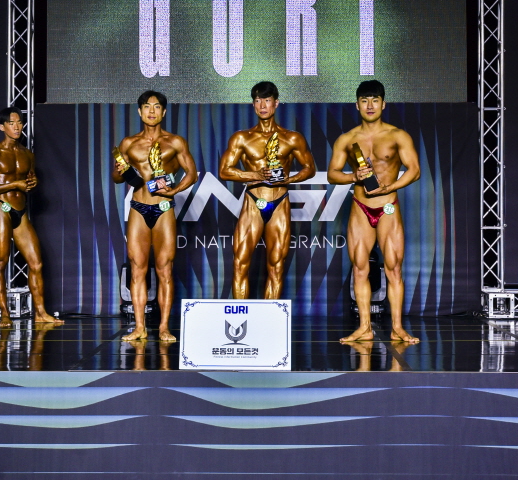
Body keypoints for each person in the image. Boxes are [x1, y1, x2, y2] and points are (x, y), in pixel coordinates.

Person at [327, 80, 422, 344]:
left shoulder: (397, 136)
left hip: (388, 206)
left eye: (375, 100)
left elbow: (414, 170)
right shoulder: (347, 139)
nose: (370, 105)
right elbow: (332, 174)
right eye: (365, 100)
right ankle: (365, 328)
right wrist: (353, 176)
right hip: (361, 206)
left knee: (393, 268)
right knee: (360, 268)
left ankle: (397, 328)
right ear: (357, 105)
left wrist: (390, 186)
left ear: (383, 104)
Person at [112, 90, 198, 343]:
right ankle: (139, 327)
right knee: (137, 269)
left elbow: (191, 173)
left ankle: (163, 328)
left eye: (157, 106)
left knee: (164, 269)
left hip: (163, 209)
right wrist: (120, 170)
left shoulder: (175, 142)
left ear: (164, 111)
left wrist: (174, 190)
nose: (152, 111)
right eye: (147, 107)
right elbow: (117, 179)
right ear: (140, 112)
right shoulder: (128, 143)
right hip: (139, 207)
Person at [219, 81, 316, 299]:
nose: (262, 105)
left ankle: (269, 317)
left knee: (276, 265)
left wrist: (289, 178)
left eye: (267, 100)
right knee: (240, 262)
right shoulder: (242, 138)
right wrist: (256, 175)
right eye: (258, 101)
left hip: (279, 201)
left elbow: (310, 168)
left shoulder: (292, 138)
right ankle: (241, 315)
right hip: (253, 201)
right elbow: (224, 171)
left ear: (276, 103)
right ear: (253, 105)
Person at [0, 107, 63, 326]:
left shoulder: (27, 154)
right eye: (12, 123)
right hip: (1, 208)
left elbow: (30, 178)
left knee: (36, 263)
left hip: (21, 210)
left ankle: (40, 313)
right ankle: (4, 313)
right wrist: (13, 184)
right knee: (1, 262)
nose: (17, 127)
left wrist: (33, 182)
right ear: (2, 127)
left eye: (19, 123)